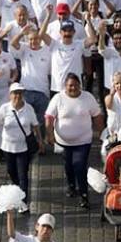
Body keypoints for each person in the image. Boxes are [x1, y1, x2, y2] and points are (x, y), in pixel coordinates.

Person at [46, 73, 104, 208]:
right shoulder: (58, 98)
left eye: (76, 85)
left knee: (79, 166)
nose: (73, 88)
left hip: (83, 141)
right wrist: (49, 135)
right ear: (65, 86)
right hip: (63, 142)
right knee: (69, 165)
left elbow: (97, 116)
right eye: (70, 85)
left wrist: (101, 132)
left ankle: (84, 195)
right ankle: (71, 185)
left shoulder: (88, 98)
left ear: (80, 85)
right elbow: (49, 117)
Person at [0, 83, 43, 201]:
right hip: (8, 148)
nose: (17, 96)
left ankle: (23, 201)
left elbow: (35, 125)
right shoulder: (4, 109)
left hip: (23, 148)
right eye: (15, 93)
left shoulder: (28, 109)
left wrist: (40, 141)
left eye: (19, 93)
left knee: (23, 175)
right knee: (12, 172)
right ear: (10, 95)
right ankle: (17, 190)